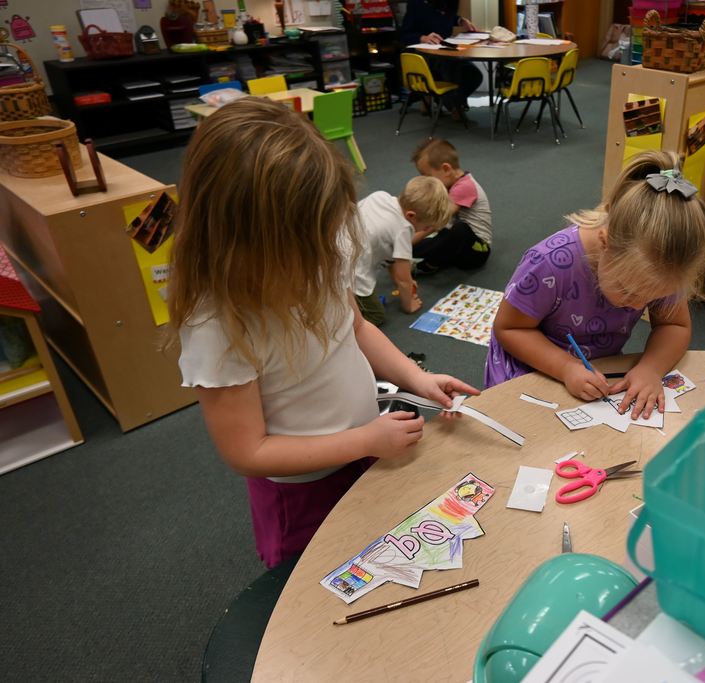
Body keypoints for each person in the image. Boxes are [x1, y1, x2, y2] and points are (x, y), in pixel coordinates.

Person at [168, 98, 477, 568]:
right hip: (303, 490)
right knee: (315, 578)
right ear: (248, 243)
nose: (324, 256)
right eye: (308, 246)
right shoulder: (218, 325)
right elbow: (247, 451)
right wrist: (366, 440)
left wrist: (416, 379)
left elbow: (355, 326)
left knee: (375, 555)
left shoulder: (321, 250)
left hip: (365, 447)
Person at [485, 151, 705, 421]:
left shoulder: (662, 264)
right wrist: (566, 368)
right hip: (529, 368)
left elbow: (673, 325)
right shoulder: (549, 263)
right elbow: (510, 328)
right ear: (605, 244)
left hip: (597, 372)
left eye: (654, 297)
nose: (639, 305)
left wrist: (651, 369)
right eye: (629, 291)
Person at [354, 176, 453, 326]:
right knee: (376, 316)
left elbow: (391, 258)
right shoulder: (403, 230)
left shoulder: (380, 196)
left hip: (329, 248)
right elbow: (403, 280)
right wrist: (409, 304)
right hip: (350, 274)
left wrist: (402, 279)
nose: (425, 231)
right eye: (426, 227)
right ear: (411, 216)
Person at [411, 137, 492, 275]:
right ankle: (425, 254)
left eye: (428, 176)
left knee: (459, 229)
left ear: (446, 169)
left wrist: (411, 241)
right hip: (456, 243)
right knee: (420, 245)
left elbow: (437, 221)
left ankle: (426, 266)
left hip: (477, 250)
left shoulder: (465, 186)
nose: (426, 181)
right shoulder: (448, 184)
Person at [400, 0, 484, 115]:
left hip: (446, 50)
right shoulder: (417, 4)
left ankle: (453, 104)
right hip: (426, 52)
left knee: (474, 75)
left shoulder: (449, 3)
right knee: (451, 71)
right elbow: (404, 34)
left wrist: (460, 21)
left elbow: (447, 18)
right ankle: (455, 106)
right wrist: (422, 37)